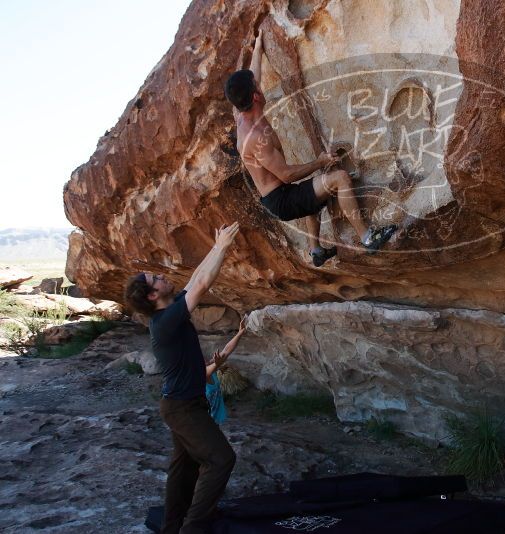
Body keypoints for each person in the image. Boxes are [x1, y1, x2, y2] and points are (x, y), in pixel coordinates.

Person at [224, 29, 396, 267]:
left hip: (280, 194)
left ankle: (316, 251)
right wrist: (321, 161)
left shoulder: (241, 111)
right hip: (281, 200)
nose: (259, 83)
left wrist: (258, 46)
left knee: (313, 193)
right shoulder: (254, 137)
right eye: (258, 85)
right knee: (339, 179)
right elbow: (286, 175)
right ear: (256, 96)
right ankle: (368, 238)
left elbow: (252, 75)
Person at [124, 222, 240, 534]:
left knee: (184, 467)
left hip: (181, 405)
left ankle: (172, 527)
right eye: (156, 279)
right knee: (221, 460)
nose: (162, 276)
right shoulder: (164, 322)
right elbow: (201, 285)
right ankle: (192, 529)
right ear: (152, 295)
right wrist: (223, 247)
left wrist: (215, 245)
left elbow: (193, 280)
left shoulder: (169, 310)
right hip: (183, 408)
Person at [204, 315, 247, 425]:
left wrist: (240, 333)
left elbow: (226, 351)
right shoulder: (201, 373)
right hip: (203, 423)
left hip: (214, 420)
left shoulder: (210, 368)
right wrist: (217, 364)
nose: (206, 360)